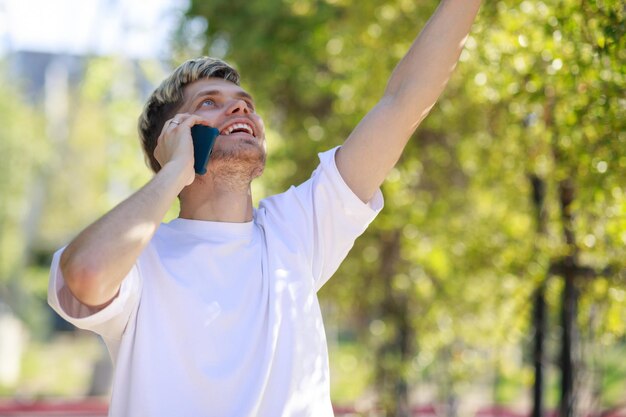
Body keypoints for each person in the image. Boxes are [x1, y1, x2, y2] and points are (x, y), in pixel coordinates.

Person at [48, 1, 482, 415]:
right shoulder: (140, 261)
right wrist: (174, 169)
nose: (240, 107)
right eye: (209, 103)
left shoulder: (296, 228)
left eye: (245, 103)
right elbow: (86, 274)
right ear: (173, 136)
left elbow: (403, 101)